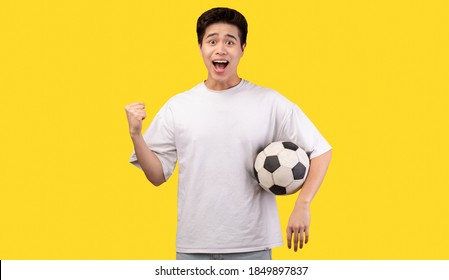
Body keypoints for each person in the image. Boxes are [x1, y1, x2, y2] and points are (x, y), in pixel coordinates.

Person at [125, 7, 332, 260]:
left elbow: (320, 151)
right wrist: (136, 135)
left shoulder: (269, 102)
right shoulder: (178, 106)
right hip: (194, 248)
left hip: (253, 246)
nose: (220, 49)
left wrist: (303, 204)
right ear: (201, 47)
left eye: (230, 41)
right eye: (212, 41)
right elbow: (157, 176)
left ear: (243, 48)